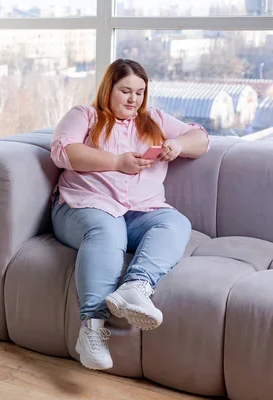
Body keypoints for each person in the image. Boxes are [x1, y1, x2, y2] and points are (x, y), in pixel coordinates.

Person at [50, 59, 210, 371]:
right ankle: (91, 330)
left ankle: (135, 287)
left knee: (175, 222)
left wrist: (176, 144)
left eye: (139, 92)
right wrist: (116, 162)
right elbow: (63, 151)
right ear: (108, 89)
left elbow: (202, 139)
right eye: (125, 91)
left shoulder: (154, 120)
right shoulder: (84, 116)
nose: (133, 99)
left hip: (139, 211)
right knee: (108, 231)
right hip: (83, 205)